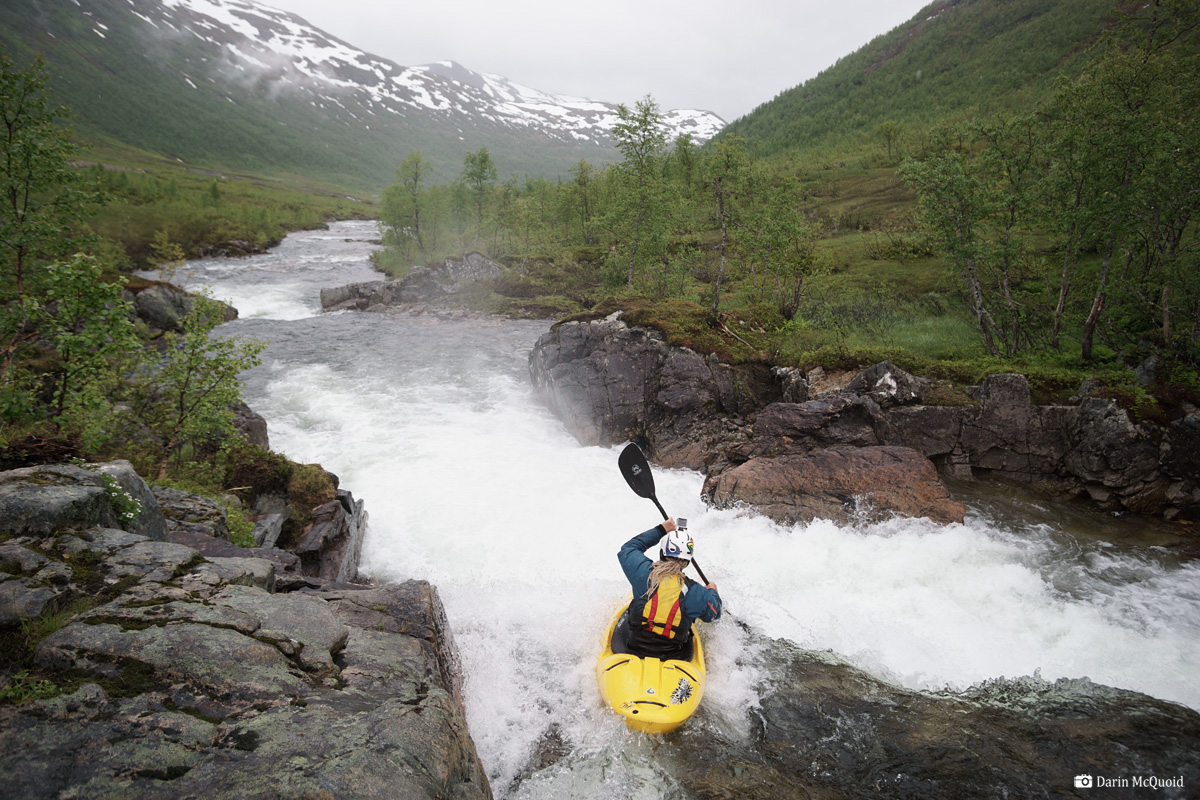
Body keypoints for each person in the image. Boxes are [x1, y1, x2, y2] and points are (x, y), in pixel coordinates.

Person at [617, 517, 722, 660]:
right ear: (687, 561)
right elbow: (714, 614)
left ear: (662, 553)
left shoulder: (644, 574)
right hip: (673, 656)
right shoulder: (696, 593)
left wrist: (661, 529)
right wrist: (712, 592)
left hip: (635, 647)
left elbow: (628, 548)